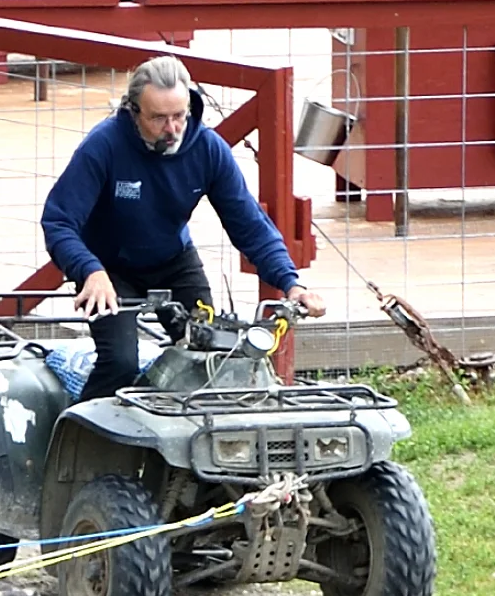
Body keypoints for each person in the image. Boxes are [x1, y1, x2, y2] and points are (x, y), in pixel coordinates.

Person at [41, 55, 326, 402]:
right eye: (158, 118)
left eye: (179, 115)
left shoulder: (207, 148)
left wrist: (291, 283)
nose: (173, 128)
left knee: (212, 355)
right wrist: (89, 270)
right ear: (133, 111)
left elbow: (250, 225)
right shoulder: (104, 145)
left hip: (174, 261)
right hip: (109, 268)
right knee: (120, 362)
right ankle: (76, 429)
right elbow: (58, 221)